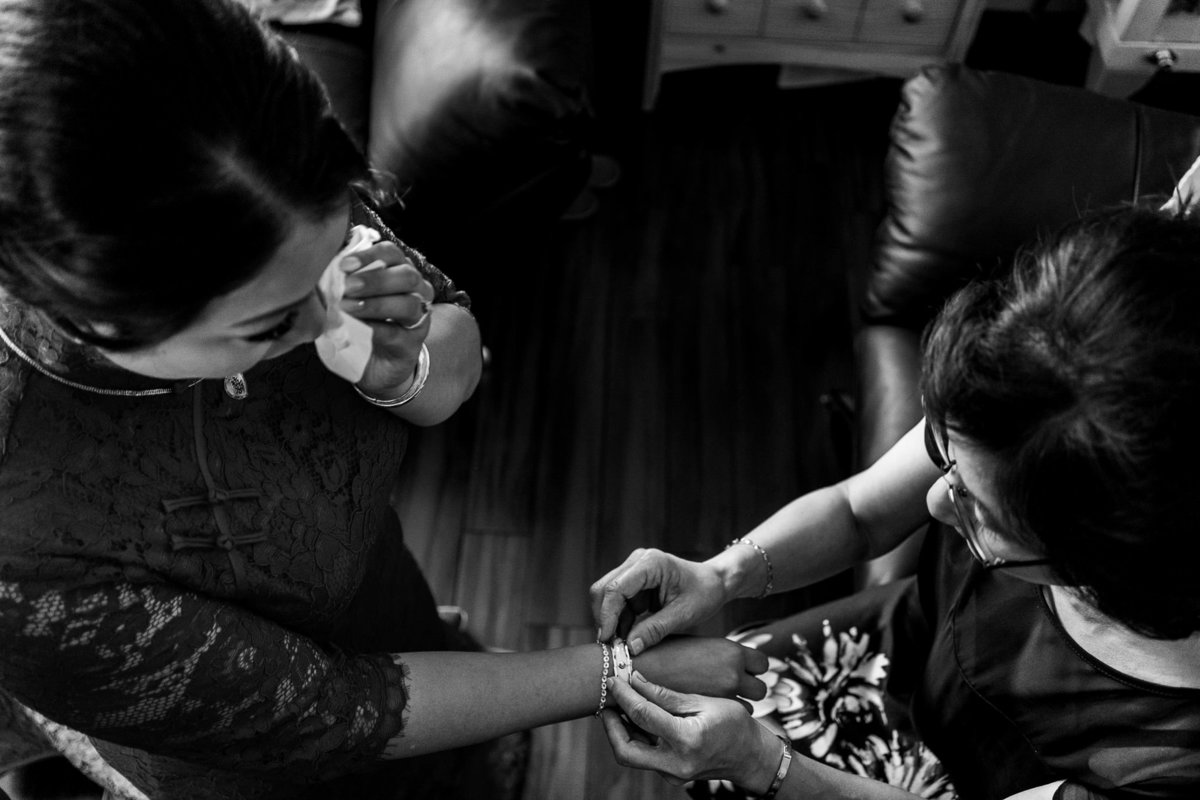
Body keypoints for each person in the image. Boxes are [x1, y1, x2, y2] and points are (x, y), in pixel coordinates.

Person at [0, 1, 768, 798]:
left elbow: (459, 354)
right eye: (269, 324)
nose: (331, 316)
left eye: (338, 250)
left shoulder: (271, 188)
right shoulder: (26, 559)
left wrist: (400, 367)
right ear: (102, 318)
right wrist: (611, 674)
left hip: (380, 591)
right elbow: (340, 707)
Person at [590, 205, 1200, 800]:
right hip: (903, 652)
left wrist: (759, 763)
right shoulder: (1041, 389)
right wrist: (719, 575)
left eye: (977, 514)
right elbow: (860, 513)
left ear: (1104, 564)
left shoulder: (1169, 765)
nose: (934, 499)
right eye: (944, 453)